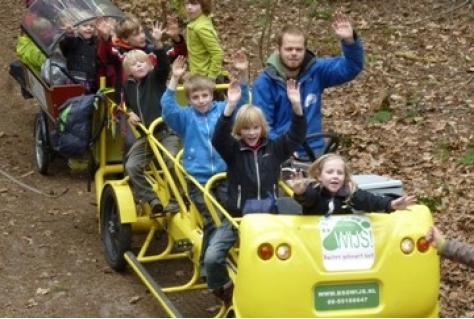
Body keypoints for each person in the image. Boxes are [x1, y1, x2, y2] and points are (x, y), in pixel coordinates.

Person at [206, 78, 307, 305]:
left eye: (255, 128)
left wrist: (297, 107)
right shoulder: (233, 150)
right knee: (212, 257)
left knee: (290, 254)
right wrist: (230, 107)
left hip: (269, 217)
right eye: (245, 129)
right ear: (239, 130)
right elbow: (218, 138)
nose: (251, 133)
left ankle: (285, 293)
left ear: (263, 128)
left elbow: (297, 135)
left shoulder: (275, 148)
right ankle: (224, 289)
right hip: (238, 217)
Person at [161, 51, 249, 278]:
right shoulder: (186, 118)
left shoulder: (222, 111)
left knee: (233, 216)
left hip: (225, 174)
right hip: (199, 179)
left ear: (213, 95)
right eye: (196, 97)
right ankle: (209, 268)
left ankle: (223, 262)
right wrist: (174, 79)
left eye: (205, 95)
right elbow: (168, 109)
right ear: (189, 100)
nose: (201, 101)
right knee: (213, 221)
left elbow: (244, 104)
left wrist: (244, 74)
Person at [252, 12, 364, 159]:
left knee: (336, 176)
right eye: (289, 49)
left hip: (315, 149)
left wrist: (349, 41)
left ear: (305, 50)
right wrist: (282, 148)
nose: (294, 53)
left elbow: (351, 67)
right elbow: (262, 126)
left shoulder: (316, 70)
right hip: (281, 153)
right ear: (279, 49)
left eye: (299, 49)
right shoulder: (265, 82)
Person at [122, 44, 179, 215]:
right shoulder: (129, 86)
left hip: (166, 131)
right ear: (128, 70)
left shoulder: (155, 79)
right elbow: (129, 106)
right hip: (147, 136)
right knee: (131, 166)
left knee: (171, 161)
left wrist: (159, 45)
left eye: (142, 62)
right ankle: (152, 199)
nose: (139, 65)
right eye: (134, 64)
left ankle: (177, 199)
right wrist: (130, 114)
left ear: (149, 64)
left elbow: (164, 65)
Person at [288, 153, 416, 215]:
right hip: (313, 238)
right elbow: (308, 198)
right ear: (319, 176)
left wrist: (391, 204)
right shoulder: (314, 191)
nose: (335, 176)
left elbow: (370, 200)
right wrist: (301, 192)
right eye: (330, 172)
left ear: (345, 177)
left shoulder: (348, 193)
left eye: (339, 173)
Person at [59, 13, 101, 92]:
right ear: (77, 28)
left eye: (91, 26)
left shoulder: (94, 42)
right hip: (75, 79)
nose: (89, 28)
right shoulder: (74, 41)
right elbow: (66, 44)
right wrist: (69, 34)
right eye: (85, 25)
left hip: (90, 79)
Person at [184, 0, 224, 81]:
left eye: (194, 4)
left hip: (205, 78)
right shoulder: (196, 22)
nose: (189, 7)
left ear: (204, 6)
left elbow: (217, 53)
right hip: (198, 75)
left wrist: (211, 78)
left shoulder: (200, 27)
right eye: (187, 3)